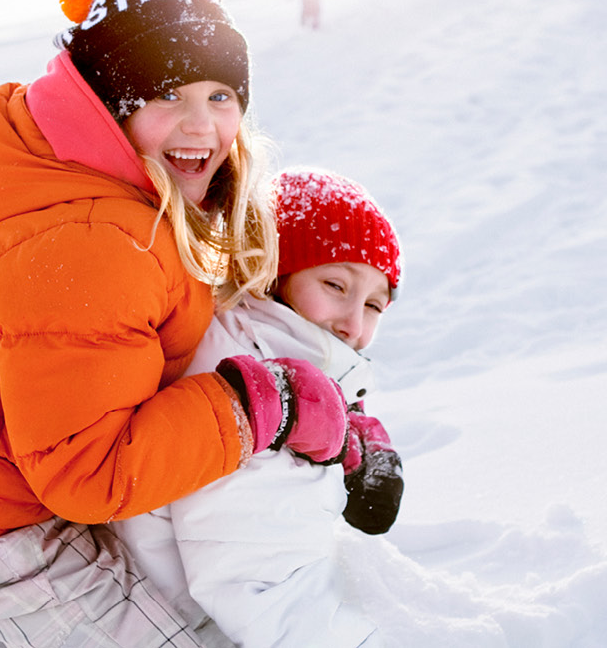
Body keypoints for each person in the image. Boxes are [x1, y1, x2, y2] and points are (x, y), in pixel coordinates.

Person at [0, 0, 356, 648]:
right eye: (167, 94)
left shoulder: (138, 193)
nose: (201, 126)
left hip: (13, 464)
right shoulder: (90, 240)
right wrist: (263, 402)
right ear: (109, 104)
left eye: (220, 96)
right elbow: (90, 472)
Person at [116, 167, 407, 647]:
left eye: (375, 305)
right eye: (336, 285)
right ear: (270, 273)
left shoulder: (250, 349)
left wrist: (346, 419)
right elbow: (265, 592)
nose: (354, 324)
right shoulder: (252, 395)